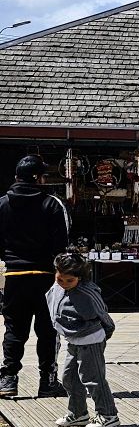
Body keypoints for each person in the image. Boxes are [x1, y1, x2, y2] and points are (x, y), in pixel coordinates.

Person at [0, 154, 70, 400]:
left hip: (15, 275)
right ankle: (47, 381)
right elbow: (62, 244)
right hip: (46, 276)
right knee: (48, 330)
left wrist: (10, 258)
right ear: (39, 178)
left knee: (14, 329)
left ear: (16, 177)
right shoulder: (52, 204)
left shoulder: (2, 204)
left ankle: (9, 378)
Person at [47, 248, 120, 427]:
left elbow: (102, 312)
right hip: (73, 340)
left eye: (69, 280)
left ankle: (108, 415)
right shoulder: (56, 288)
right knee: (69, 378)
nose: (64, 284)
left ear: (79, 278)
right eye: (60, 279)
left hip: (91, 339)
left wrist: (108, 330)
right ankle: (78, 413)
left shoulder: (87, 291)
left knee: (93, 379)